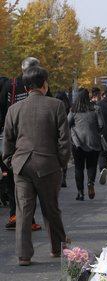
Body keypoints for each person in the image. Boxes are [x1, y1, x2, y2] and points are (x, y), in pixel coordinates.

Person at [2, 65, 71, 266]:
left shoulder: (14, 109)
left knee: (24, 210)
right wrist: (61, 162)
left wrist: (10, 162)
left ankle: (24, 255)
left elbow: (7, 139)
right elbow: (64, 140)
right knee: (51, 208)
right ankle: (57, 248)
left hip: (22, 165)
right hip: (48, 164)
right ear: (44, 85)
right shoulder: (56, 105)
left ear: (26, 88)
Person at [0, 57, 43, 231]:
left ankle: (14, 214)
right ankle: (29, 218)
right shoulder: (41, 85)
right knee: (30, 180)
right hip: (34, 138)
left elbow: (2, 110)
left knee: (12, 176)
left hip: (11, 137)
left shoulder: (10, 85)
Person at [68, 88, 104, 201]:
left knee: (78, 168)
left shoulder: (73, 111)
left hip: (77, 143)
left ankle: (80, 193)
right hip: (93, 142)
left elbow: (66, 124)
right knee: (92, 165)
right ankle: (90, 183)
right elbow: (101, 125)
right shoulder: (96, 109)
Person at [54, 91, 71, 188]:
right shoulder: (68, 108)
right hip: (65, 134)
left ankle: (58, 177)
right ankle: (63, 177)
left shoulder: (53, 107)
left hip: (54, 135)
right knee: (64, 155)